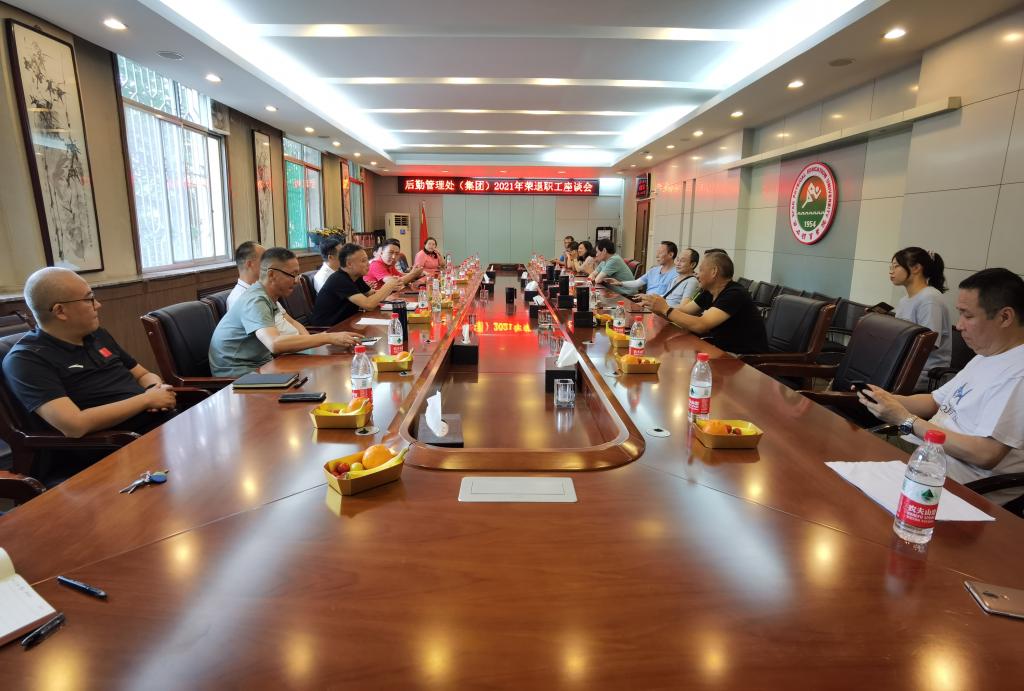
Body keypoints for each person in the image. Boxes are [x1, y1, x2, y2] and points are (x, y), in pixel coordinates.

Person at [859, 268, 1024, 505]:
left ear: (1005, 317)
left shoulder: (1018, 373)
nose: (959, 325)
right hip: (926, 454)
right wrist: (885, 398)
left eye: (967, 315)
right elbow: (934, 401)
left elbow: (986, 454)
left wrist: (906, 420)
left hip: (957, 480)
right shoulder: (985, 355)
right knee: (847, 449)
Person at [3, 268, 178, 443]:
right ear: (60, 311)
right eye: (89, 299)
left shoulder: (97, 335)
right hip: (116, 444)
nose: (98, 305)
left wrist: (155, 390)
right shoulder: (26, 359)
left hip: (159, 422)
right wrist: (146, 400)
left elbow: (142, 374)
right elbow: (74, 425)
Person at [209, 248, 361, 377]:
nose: (296, 280)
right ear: (271, 274)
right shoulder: (256, 300)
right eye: (292, 274)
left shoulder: (266, 296)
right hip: (238, 375)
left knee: (324, 370)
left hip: (262, 365)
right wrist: (327, 337)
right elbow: (274, 344)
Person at [636, 251, 768, 354]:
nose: (697, 275)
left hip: (743, 359)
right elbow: (685, 312)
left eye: (701, 270)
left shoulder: (735, 293)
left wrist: (665, 309)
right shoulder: (709, 291)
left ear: (714, 272)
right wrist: (656, 307)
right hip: (718, 350)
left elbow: (701, 325)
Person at [890, 246, 952, 391]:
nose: (891, 271)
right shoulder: (905, 300)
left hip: (924, 372)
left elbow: (928, 344)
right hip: (905, 366)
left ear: (916, 268)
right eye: (890, 267)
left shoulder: (930, 299)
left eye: (896, 266)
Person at [311, 243, 403, 327]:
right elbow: (369, 305)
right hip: (329, 329)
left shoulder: (356, 276)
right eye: (363, 261)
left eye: (367, 260)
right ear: (349, 264)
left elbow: (371, 294)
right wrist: (388, 286)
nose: (368, 264)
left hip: (348, 322)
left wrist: (390, 292)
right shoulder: (339, 279)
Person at [227, 241, 303, 336]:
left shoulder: (265, 290)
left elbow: (290, 321)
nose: (269, 262)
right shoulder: (239, 297)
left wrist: (310, 340)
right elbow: (271, 341)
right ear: (250, 264)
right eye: (263, 259)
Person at [604, 241, 678, 298]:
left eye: (660, 253)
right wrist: (620, 283)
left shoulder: (677, 274)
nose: (657, 256)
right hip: (646, 303)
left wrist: (648, 297)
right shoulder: (653, 270)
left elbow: (671, 296)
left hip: (660, 306)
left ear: (670, 255)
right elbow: (637, 283)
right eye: (657, 252)